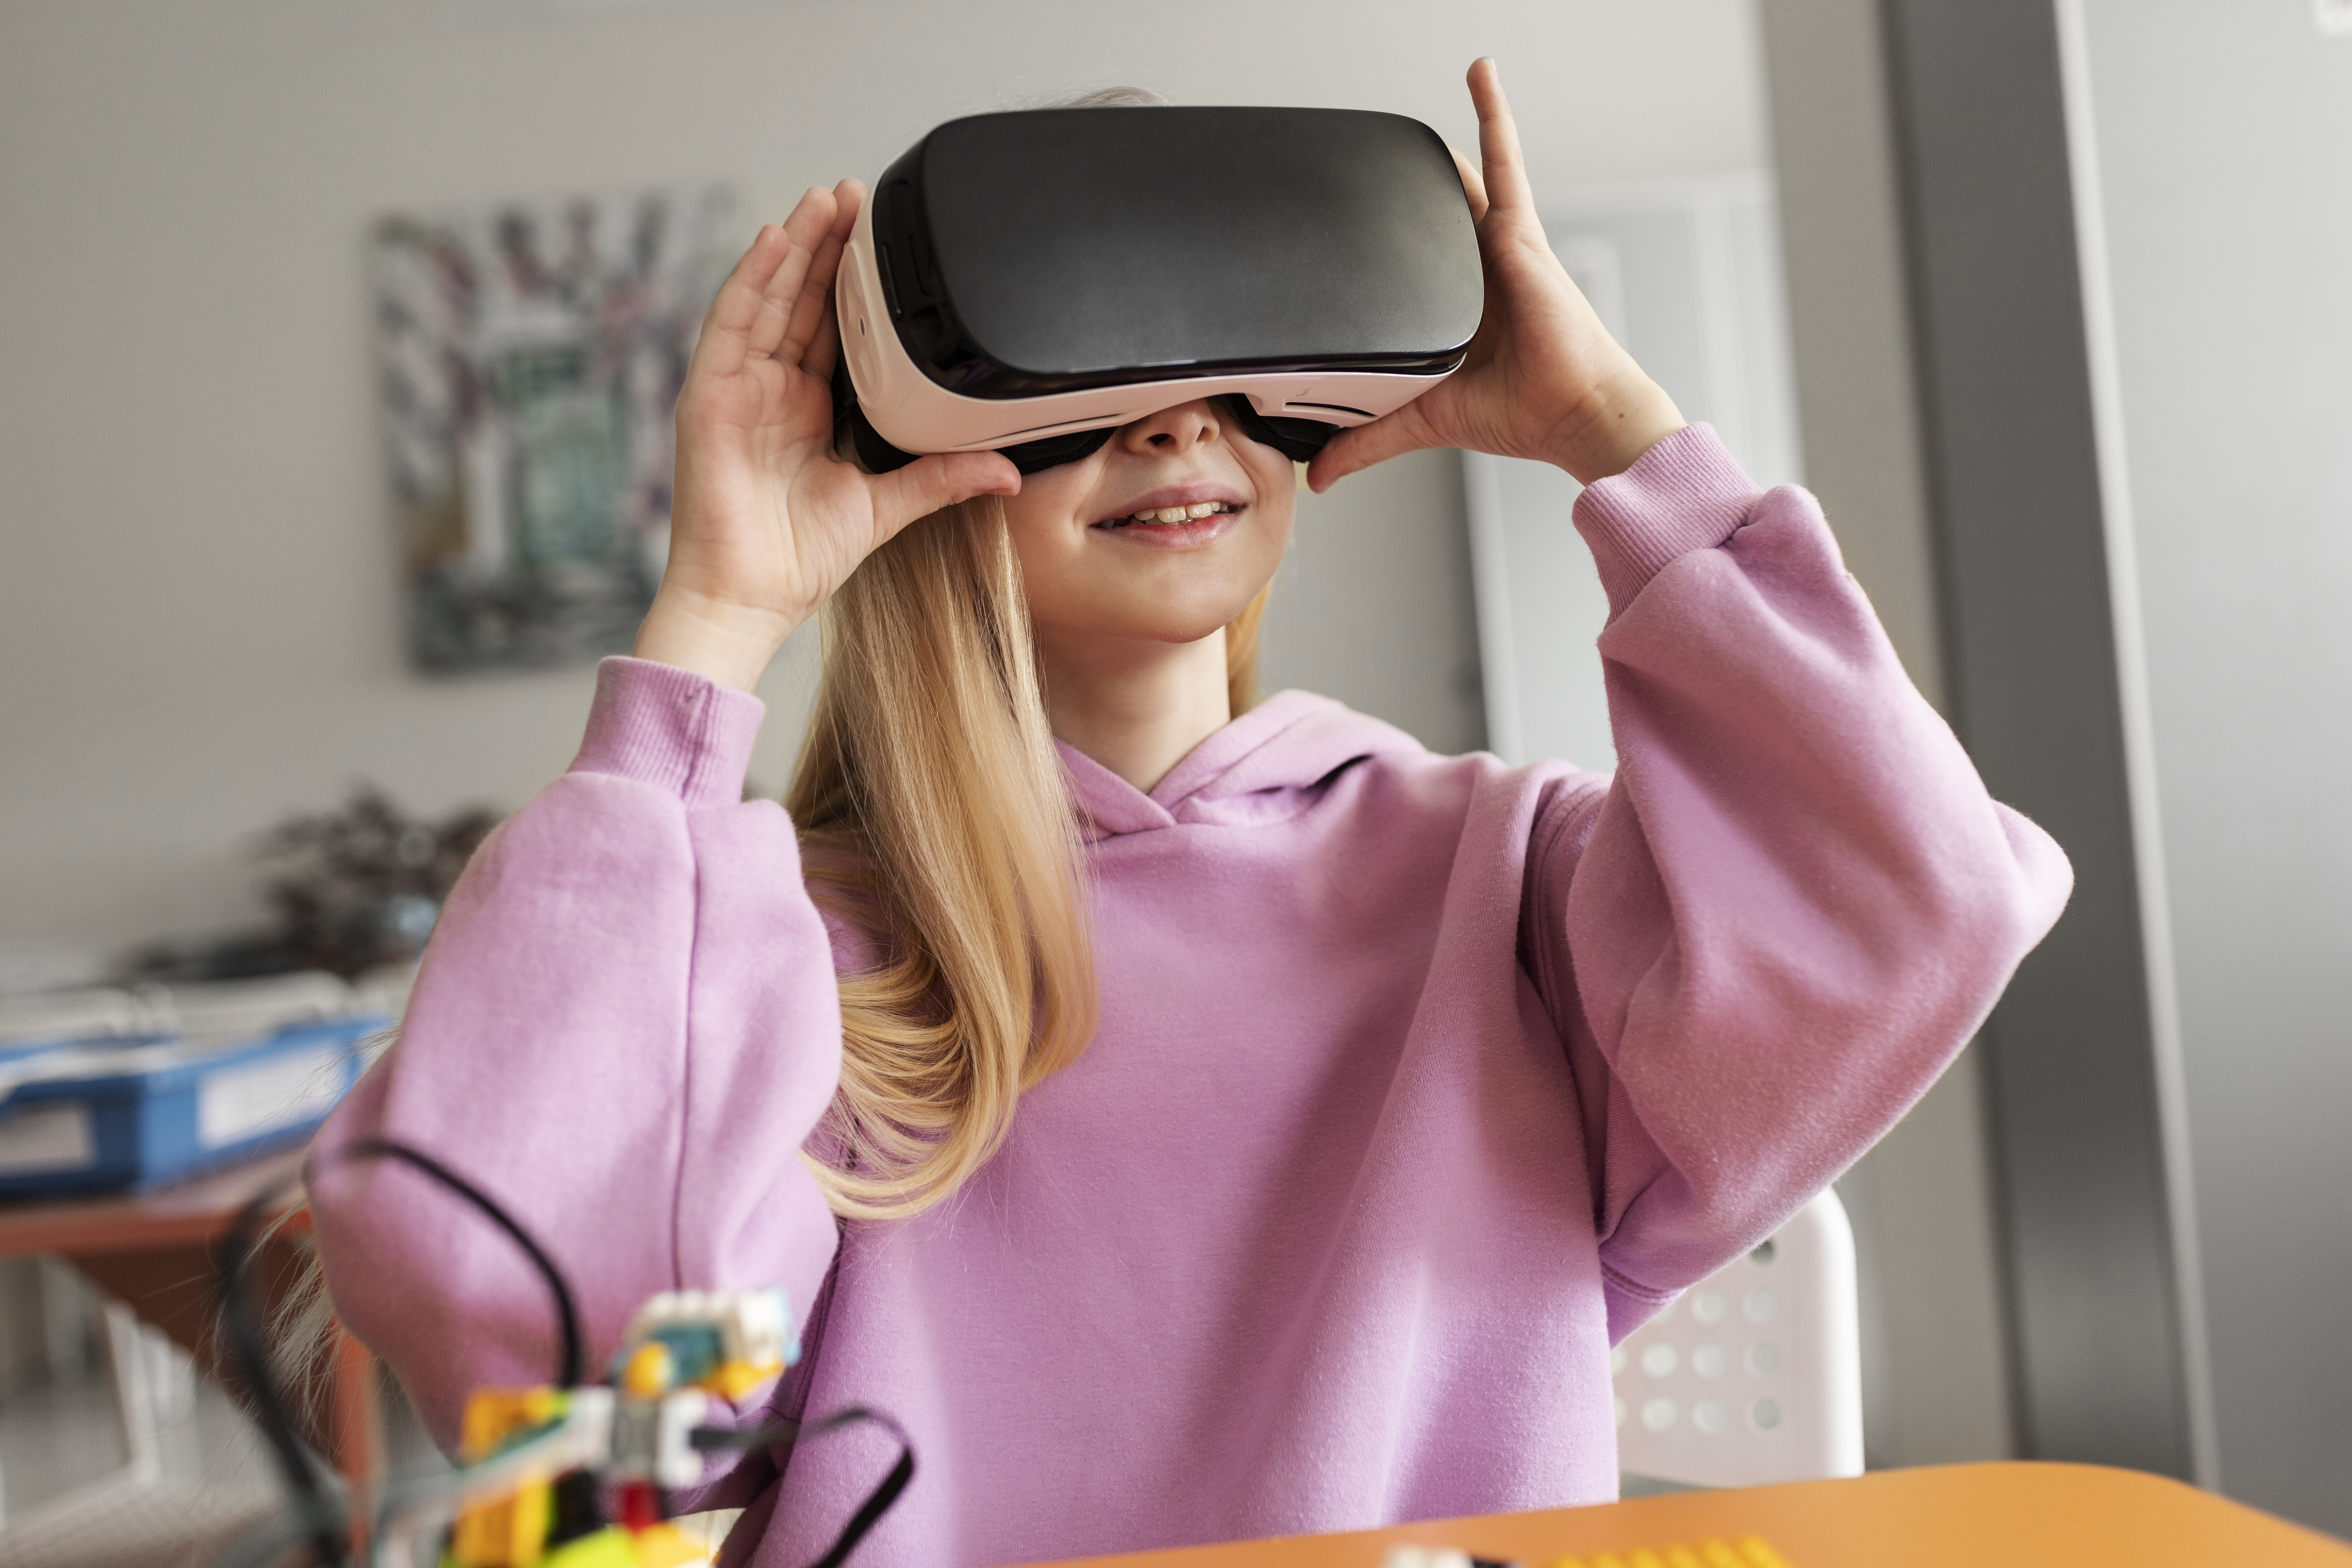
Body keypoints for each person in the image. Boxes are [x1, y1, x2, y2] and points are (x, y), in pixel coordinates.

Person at [312, 59, 2070, 1568]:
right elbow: (538, 1346)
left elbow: (1915, 911)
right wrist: (713, 621)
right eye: (1088, 378)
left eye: (1231, 372)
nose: (1173, 424)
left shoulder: (1498, 878)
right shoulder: (797, 953)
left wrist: (1623, 441)